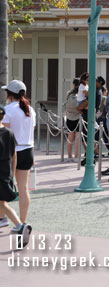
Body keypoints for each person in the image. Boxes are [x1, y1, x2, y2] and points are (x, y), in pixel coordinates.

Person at [1, 80, 36, 226]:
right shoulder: (30, 109)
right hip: (28, 150)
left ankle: (2, 218)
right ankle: (22, 221)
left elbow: (4, 133)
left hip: (12, 152)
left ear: (9, 93)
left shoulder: (8, 110)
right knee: (23, 188)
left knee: (3, 186)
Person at [0, 105, 32, 245]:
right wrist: (12, 172)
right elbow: (14, 155)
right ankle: (20, 225)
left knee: (2, 204)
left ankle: (20, 225)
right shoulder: (9, 133)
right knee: (2, 203)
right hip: (6, 172)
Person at [64, 78, 81, 162]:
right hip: (78, 116)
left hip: (69, 116)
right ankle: (76, 157)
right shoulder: (81, 93)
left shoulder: (69, 93)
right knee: (78, 136)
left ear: (73, 84)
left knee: (70, 136)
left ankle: (69, 156)